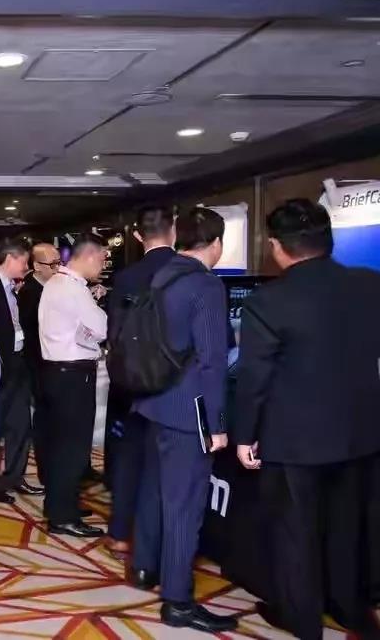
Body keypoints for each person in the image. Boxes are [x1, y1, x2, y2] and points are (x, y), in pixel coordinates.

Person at [233, 199, 380, 639]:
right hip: (361, 433)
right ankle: (351, 609)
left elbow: (254, 377)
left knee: (295, 533)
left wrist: (245, 435)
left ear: (277, 247)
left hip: (294, 440)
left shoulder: (269, 301)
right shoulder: (369, 284)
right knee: (349, 527)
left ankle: (302, 619)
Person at [128, 207, 236, 633]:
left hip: (155, 402)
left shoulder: (162, 275)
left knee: (156, 493)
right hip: (189, 412)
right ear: (217, 243)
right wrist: (218, 423)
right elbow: (212, 361)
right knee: (184, 508)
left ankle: (145, 567)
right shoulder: (205, 285)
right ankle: (177, 601)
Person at [104, 206, 176, 561]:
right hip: (173, 382)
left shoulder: (126, 277)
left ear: (137, 236)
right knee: (165, 466)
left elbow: (113, 332)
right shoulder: (186, 273)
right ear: (173, 231)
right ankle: (158, 543)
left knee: (129, 456)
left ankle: (120, 533)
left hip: (130, 381)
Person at [38, 233, 107, 538]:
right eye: (102, 258)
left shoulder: (57, 282)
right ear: (89, 256)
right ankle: (63, 516)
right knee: (72, 448)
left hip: (56, 372)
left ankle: (58, 505)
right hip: (73, 375)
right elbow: (102, 328)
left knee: (60, 445)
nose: (103, 265)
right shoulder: (73, 288)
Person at [0, 238, 44, 502]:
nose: (27, 267)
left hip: (18, 364)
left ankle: (14, 477)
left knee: (20, 425)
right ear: (11, 258)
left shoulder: (11, 286)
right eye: (24, 261)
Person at [16, 242, 60, 485]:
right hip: (38, 364)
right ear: (36, 266)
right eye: (52, 264)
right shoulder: (29, 293)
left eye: (59, 263)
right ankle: (46, 471)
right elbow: (30, 335)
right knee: (43, 419)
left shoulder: (57, 286)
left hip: (55, 363)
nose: (57, 268)